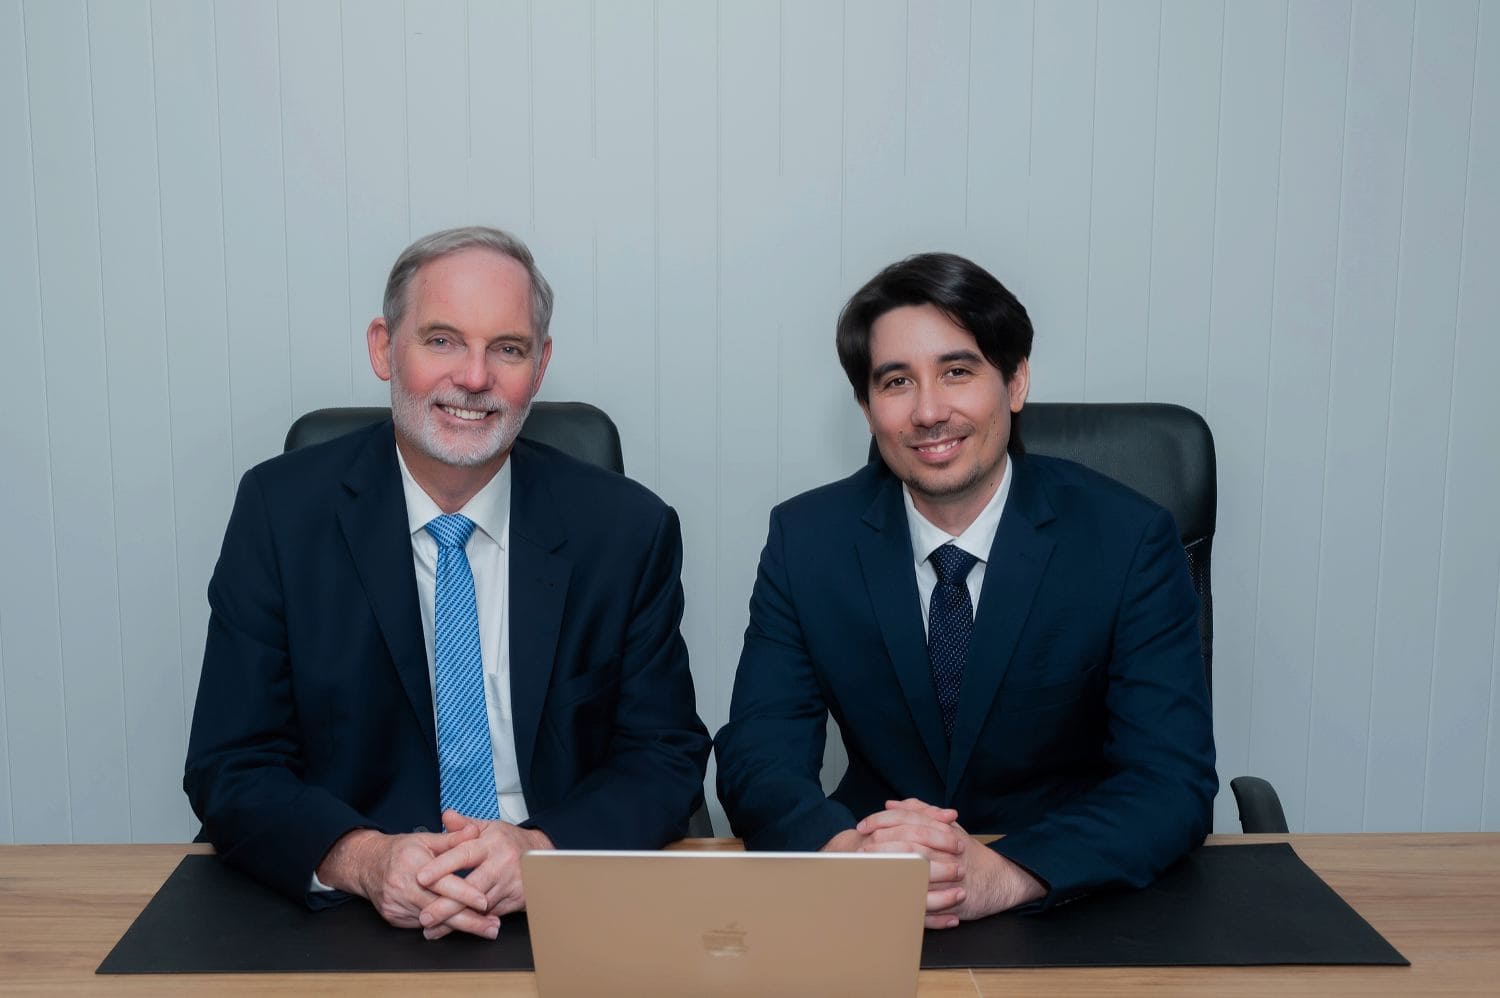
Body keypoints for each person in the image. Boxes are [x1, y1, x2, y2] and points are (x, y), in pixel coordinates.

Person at [185, 226, 710, 940]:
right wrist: (364, 859)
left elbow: (664, 755)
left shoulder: (626, 530)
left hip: (559, 895)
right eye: (441, 340)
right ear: (383, 348)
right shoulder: (280, 514)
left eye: (508, 348)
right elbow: (233, 761)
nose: (473, 377)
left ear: (541, 365)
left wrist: (539, 850)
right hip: (351, 902)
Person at [714, 252, 1216, 926]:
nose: (928, 411)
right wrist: (844, 854)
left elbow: (1170, 782)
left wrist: (1005, 874)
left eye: (957, 372)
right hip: (870, 888)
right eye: (896, 382)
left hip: (1069, 894)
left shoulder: (1127, 540)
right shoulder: (807, 541)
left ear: (1015, 382)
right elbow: (756, 754)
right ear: (866, 408)